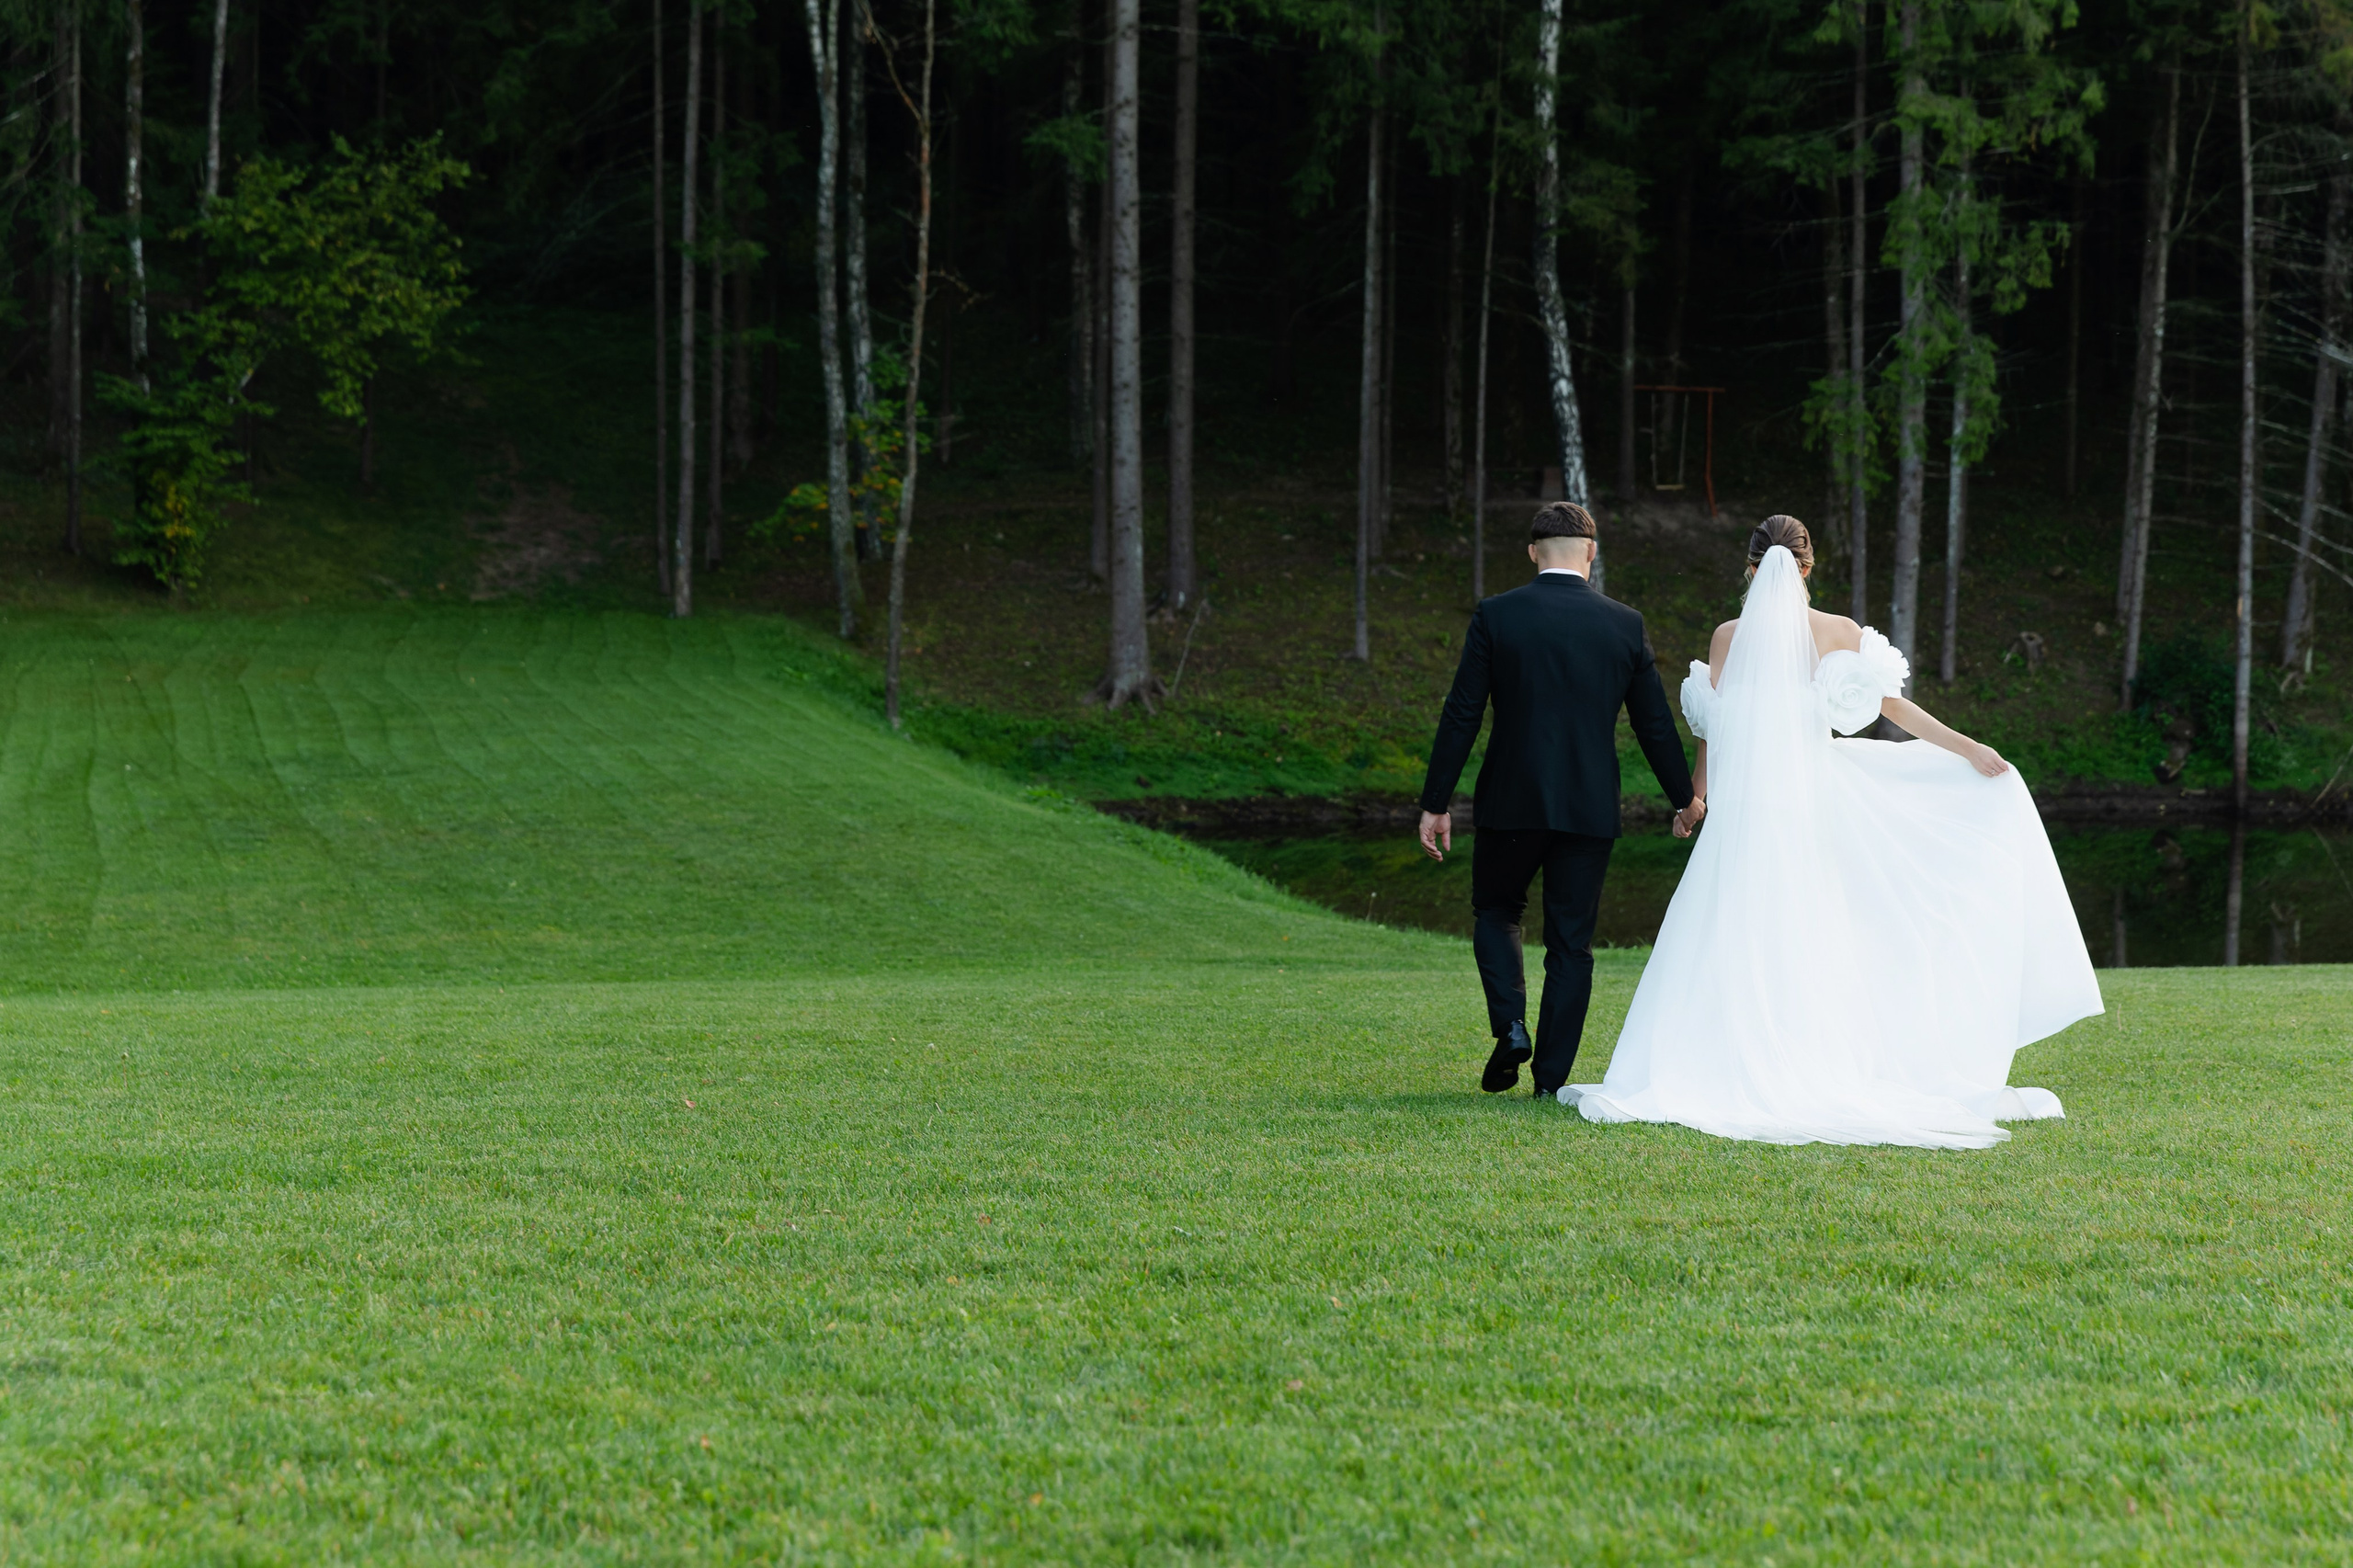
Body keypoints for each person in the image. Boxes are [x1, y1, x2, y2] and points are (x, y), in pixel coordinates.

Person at [1563, 515, 2103, 1149]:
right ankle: (1803, 1062)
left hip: (1741, 816)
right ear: (1809, 567)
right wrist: (1966, 748)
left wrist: (1697, 798)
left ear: (1749, 567)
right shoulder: (1836, 631)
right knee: (1811, 932)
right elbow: (1890, 709)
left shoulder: (1726, 638)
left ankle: (1721, 1064)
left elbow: (1712, 728)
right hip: (1807, 813)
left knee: (1730, 929)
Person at [1415, 502, 1699, 1100]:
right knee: (1572, 944)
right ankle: (1549, 1083)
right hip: (1590, 808)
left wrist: (1436, 801)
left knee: (1497, 911)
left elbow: (1462, 711)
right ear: (1590, 553)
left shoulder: (1498, 615)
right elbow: (1653, 724)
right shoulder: (1624, 624)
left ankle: (1512, 1025)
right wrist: (1685, 798)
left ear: (1532, 552)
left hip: (1510, 801)